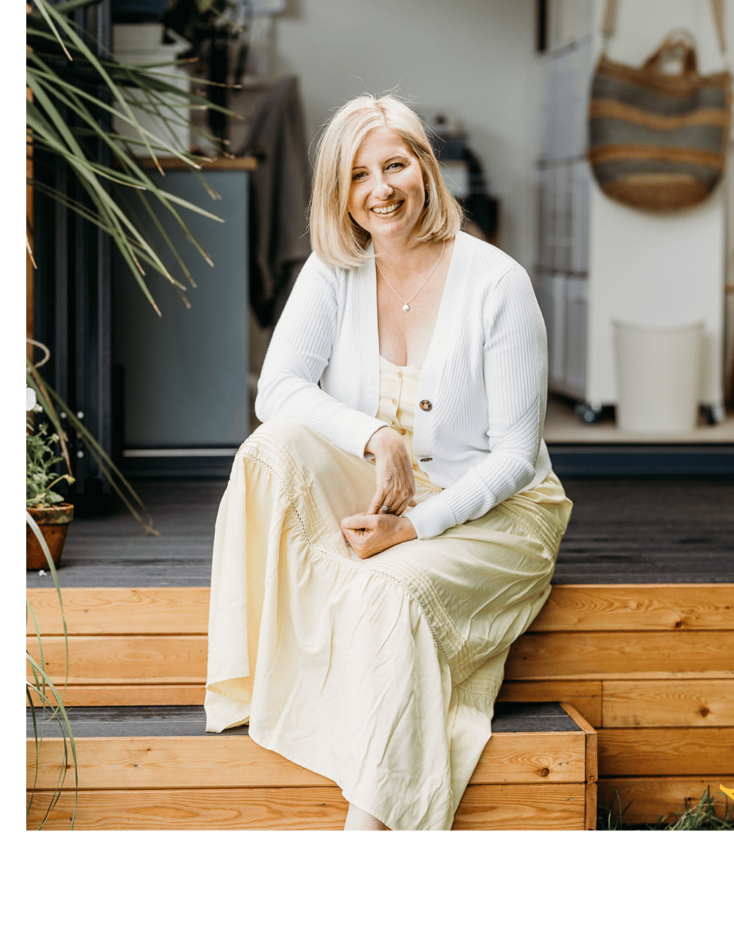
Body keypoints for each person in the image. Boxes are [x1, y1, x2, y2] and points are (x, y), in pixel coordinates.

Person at [204, 94, 573, 831]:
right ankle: (257, 684)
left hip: (498, 512)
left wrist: (416, 527)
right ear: (338, 192)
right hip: (385, 484)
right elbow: (276, 389)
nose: (381, 189)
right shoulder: (335, 270)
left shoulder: (498, 284)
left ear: (426, 169)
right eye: (359, 174)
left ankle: (370, 830)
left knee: (391, 592)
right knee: (267, 452)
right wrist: (378, 435)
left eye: (396, 164)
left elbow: (512, 458)